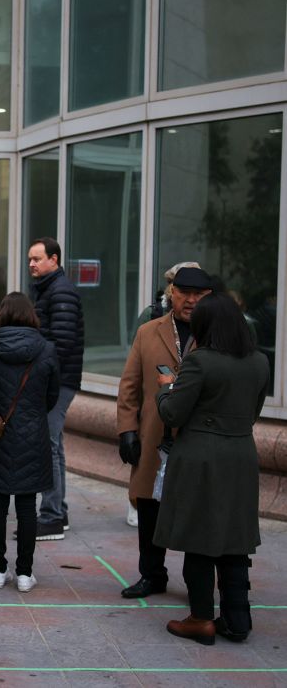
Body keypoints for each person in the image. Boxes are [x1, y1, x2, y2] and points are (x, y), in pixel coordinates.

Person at [154, 292, 271, 646]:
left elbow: (173, 413)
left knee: (199, 539)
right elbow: (253, 412)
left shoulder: (200, 361)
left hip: (202, 458)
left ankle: (201, 618)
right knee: (235, 541)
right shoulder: (259, 362)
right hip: (240, 454)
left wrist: (165, 389)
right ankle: (237, 620)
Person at [115, 266, 212, 599]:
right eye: (184, 293)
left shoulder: (216, 332)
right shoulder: (149, 331)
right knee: (149, 510)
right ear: (172, 292)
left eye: (198, 295)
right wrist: (127, 429)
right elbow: (129, 386)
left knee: (195, 511)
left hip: (197, 436)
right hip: (154, 436)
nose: (190, 300)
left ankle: (196, 580)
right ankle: (152, 574)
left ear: (209, 297)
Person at [0, 292, 61, 594]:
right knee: (27, 507)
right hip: (33, 434)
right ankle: (25, 573)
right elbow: (52, 395)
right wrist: (33, 412)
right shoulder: (47, 349)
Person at [26, 237, 83, 541]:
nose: (32, 264)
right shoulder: (50, 289)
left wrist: (41, 377)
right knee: (54, 445)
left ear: (54, 259)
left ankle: (50, 517)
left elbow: (61, 344)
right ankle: (57, 511)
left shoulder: (60, 292)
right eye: (30, 259)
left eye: (37, 259)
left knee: (48, 445)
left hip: (58, 381)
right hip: (58, 379)